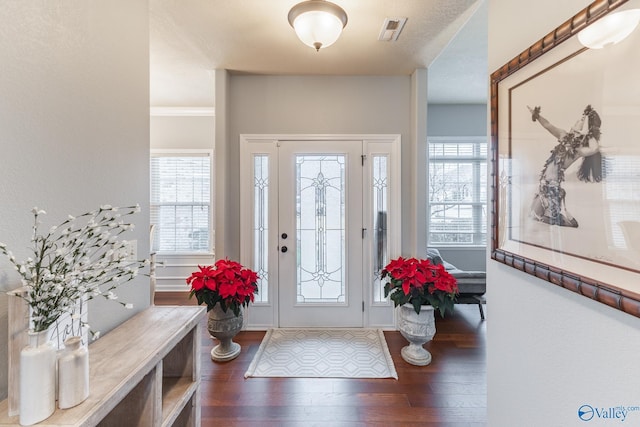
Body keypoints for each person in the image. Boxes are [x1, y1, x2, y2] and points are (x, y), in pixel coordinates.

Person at [527, 104, 603, 227]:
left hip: (552, 186)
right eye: (580, 118)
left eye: (582, 120)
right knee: (534, 216)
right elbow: (548, 125)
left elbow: (594, 149)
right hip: (544, 183)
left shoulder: (579, 149)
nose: (578, 121)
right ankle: (564, 217)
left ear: (584, 129)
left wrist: (590, 133)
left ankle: (568, 221)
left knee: (538, 218)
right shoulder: (563, 135)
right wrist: (537, 116)